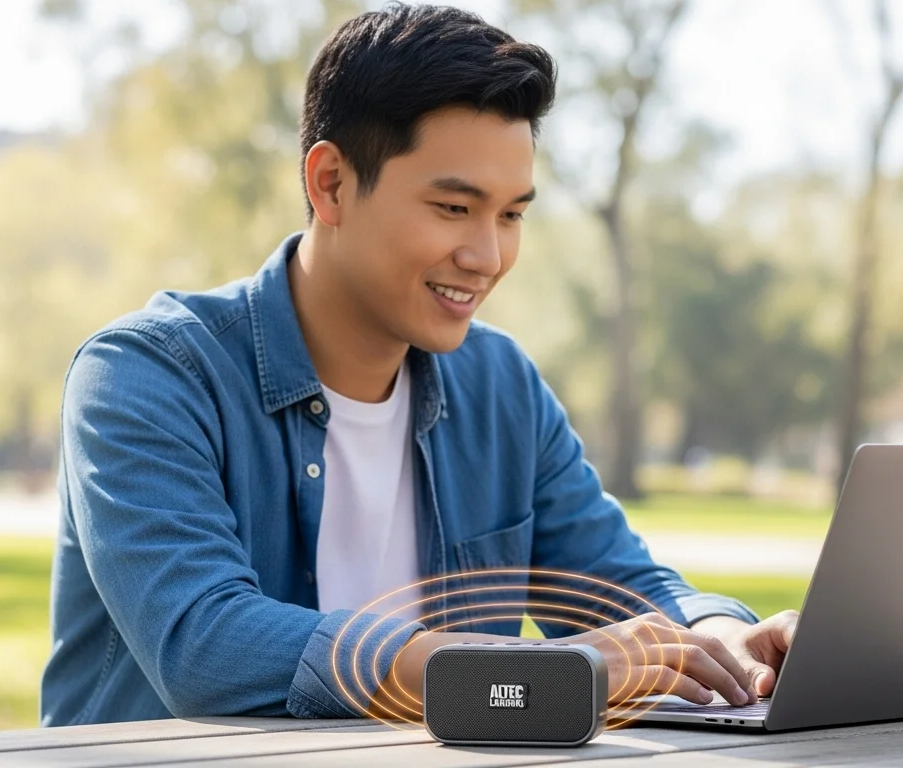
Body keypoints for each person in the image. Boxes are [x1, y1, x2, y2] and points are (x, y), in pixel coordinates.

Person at [40, 3, 798, 727]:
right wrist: (528, 673)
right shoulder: (148, 375)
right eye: (454, 208)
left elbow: (615, 583)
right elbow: (204, 643)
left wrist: (716, 634)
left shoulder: (500, 387)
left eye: (512, 214)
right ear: (330, 183)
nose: (488, 255)